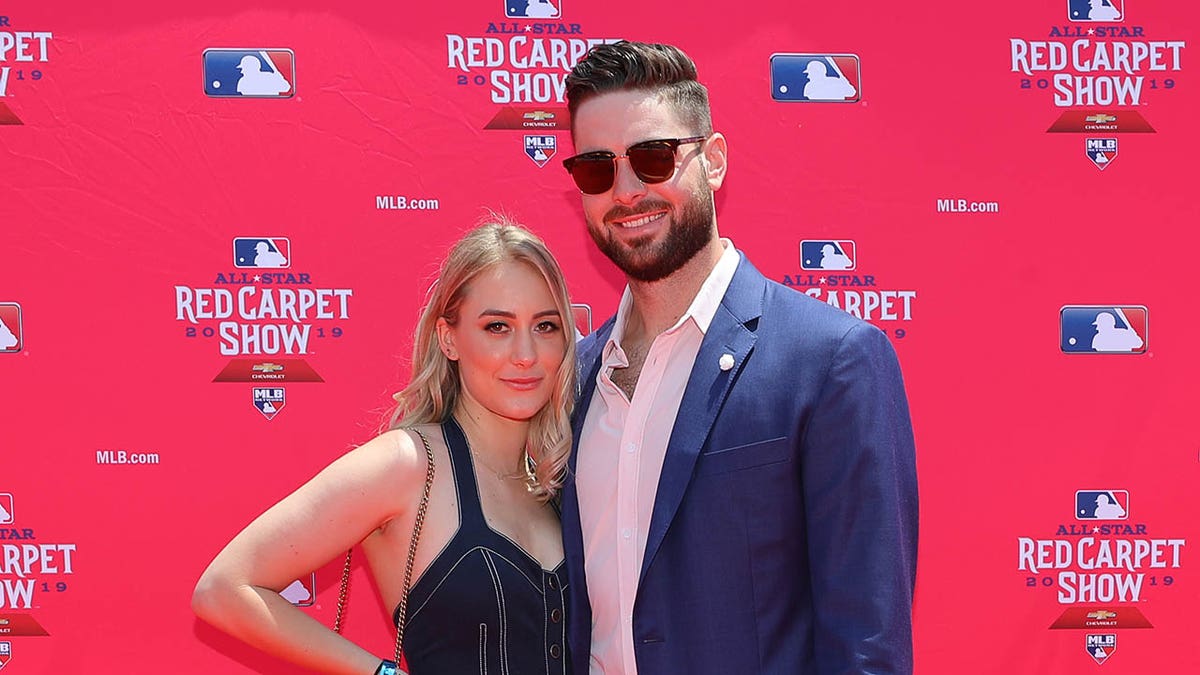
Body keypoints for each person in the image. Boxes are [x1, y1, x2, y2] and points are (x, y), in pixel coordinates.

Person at [558, 41, 918, 674]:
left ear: (713, 160)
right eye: (596, 168)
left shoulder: (832, 362)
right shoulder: (575, 379)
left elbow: (867, 647)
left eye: (653, 157)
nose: (626, 189)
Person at [193, 218, 577, 675]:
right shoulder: (408, 465)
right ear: (448, 338)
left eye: (546, 326)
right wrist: (381, 674)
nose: (526, 354)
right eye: (498, 326)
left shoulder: (555, 480)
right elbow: (223, 588)